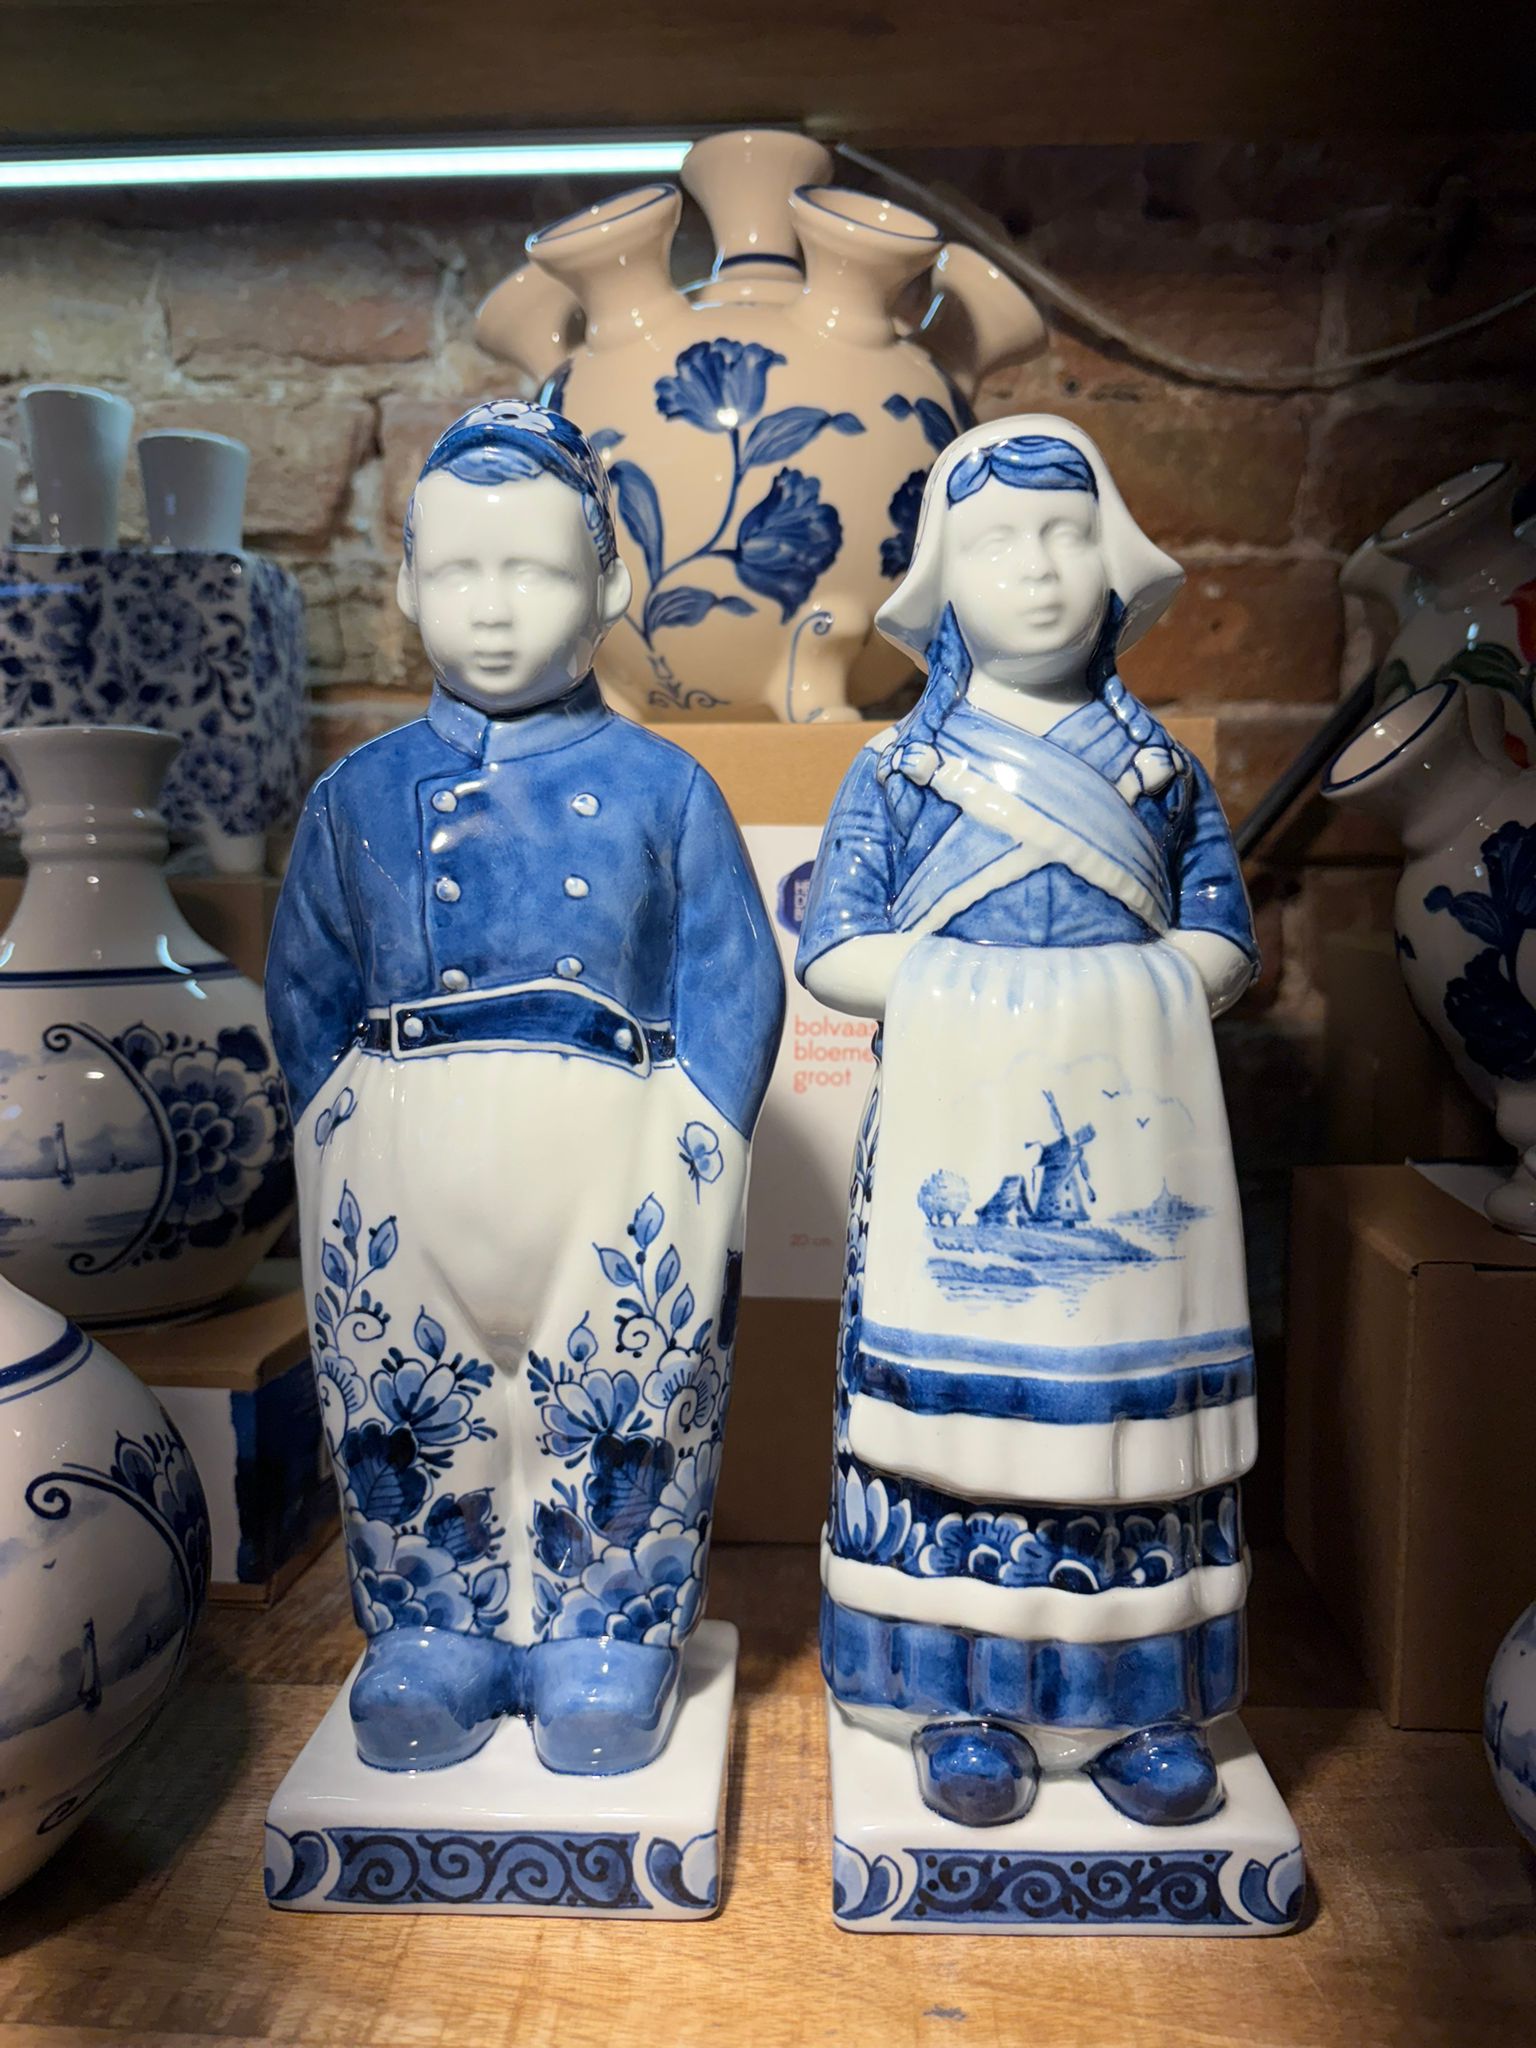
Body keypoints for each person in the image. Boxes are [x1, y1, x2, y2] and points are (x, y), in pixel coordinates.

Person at [267, 400, 784, 1776]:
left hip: (608, 1147)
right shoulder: (355, 796)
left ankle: (603, 1633)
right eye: (457, 572)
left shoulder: (664, 788)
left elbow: (734, 976)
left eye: (538, 573)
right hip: (404, 1144)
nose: (492, 610)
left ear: (611, 588)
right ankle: (430, 1630)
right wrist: (337, 1124)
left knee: (615, 1388)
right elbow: (309, 981)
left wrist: (703, 1131)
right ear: (405, 587)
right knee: (405, 1386)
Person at [796, 415, 1260, 1829]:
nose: (1041, 572)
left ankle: (1136, 1707)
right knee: (956, 1448)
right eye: (1000, 542)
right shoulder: (894, 774)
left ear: (1114, 561)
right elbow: (833, 946)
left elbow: (1225, 941)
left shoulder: (1161, 774)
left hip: (1133, 1164)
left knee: (1128, 1449)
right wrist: (985, 995)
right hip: (951, 1138)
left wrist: (1126, 994)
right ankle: (961, 1699)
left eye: (1067, 536)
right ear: (945, 576)